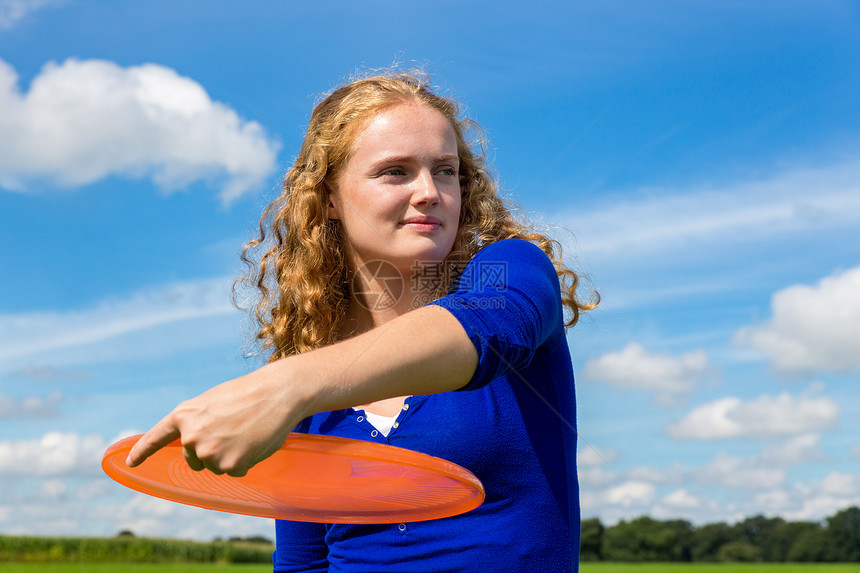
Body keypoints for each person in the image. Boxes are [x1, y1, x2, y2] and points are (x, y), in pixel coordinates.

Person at [127, 71, 597, 572]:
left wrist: (285, 387)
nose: (430, 192)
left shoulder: (516, 270)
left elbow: (490, 327)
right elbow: (303, 563)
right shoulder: (311, 386)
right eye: (395, 171)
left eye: (445, 171)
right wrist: (295, 386)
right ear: (328, 198)